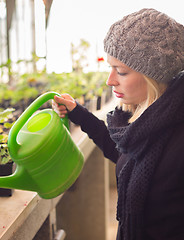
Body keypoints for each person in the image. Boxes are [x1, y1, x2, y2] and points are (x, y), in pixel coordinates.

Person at [52, 8, 184, 240]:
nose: (109, 80)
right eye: (110, 67)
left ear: (154, 76)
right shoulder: (145, 122)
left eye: (121, 71)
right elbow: (125, 154)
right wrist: (79, 114)